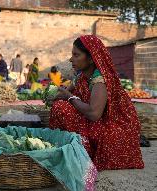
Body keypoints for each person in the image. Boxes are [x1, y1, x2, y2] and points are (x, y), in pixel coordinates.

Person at [48, 35, 144, 171]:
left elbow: (94, 114)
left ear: (91, 58)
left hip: (113, 127)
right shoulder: (82, 76)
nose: (71, 59)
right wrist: (54, 96)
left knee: (63, 108)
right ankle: (75, 148)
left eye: (76, 55)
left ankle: (83, 151)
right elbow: (65, 92)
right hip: (95, 122)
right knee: (59, 106)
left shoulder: (100, 79)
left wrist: (69, 97)